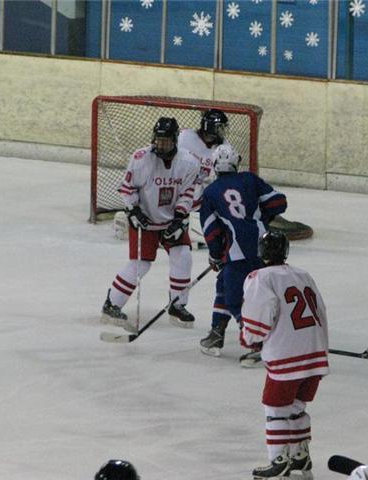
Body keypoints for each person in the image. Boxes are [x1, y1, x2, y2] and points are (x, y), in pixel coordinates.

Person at [240, 231, 329, 479]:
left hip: (287, 354)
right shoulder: (304, 275)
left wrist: (251, 338)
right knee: (297, 406)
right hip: (315, 353)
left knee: (275, 408)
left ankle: (279, 461)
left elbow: (259, 314)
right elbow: (321, 310)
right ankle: (300, 456)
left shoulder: (260, 277)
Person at [101, 117, 201, 332]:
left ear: (175, 140)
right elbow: (127, 188)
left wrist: (179, 218)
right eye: (158, 140)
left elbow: (187, 193)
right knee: (140, 264)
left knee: (183, 256)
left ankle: (177, 305)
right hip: (145, 220)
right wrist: (133, 210)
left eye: (166, 141)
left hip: (171, 221)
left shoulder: (189, 162)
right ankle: (112, 304)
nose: (161, 144)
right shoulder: (141, 158)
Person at [198, 144, 287, 359]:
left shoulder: (210, 192)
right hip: (264, 247)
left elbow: (211, 230)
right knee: (226, 284)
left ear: (214, 166)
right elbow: (279, 202)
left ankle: (256, 342)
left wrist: (215, 254)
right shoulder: (249, 179)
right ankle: (217, 331)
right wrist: (259, 218)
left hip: (237, 251)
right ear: (236, 163)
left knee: (235, 298)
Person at [177, 108, 232, 211]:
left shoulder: (225, 147)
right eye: (220, 128)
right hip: (179, 191)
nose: (222, 131)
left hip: (204, 199)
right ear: (210, 127)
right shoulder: (184, 137)